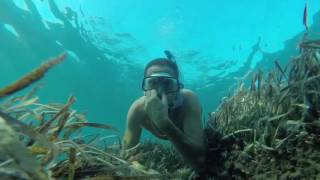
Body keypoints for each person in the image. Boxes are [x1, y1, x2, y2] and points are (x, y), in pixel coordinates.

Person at [121, 51, 206, 171]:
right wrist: (140, 168)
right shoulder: (137, 110)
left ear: (178, 88)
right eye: (152, 83)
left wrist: (164, 123)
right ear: (144, 89)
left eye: (168, 83)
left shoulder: (189, 100)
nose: (160, 91)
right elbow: (126, 156)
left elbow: (199, 160)